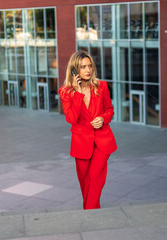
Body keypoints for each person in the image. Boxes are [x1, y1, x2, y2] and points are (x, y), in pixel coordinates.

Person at [59, 51, 117, 210]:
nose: (88, 70)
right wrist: (77, 94)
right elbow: (71, 119)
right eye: (83, 67)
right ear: (74, 70)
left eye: (90, 66)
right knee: (85, 181)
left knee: (95, 176)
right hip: (81, 143)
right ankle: (91, 211)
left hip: (102, 140)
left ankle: (91, 212)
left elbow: (109, 109)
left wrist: (103, 119)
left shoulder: (102, 86)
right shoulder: (66, 92)